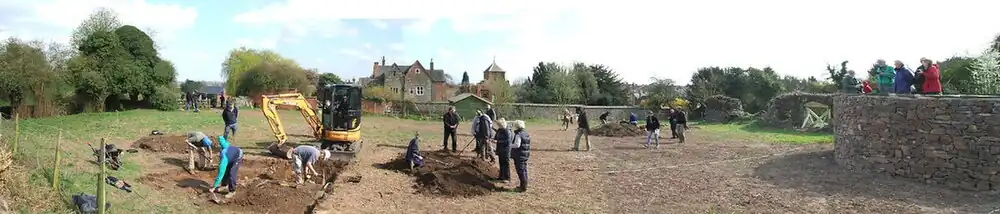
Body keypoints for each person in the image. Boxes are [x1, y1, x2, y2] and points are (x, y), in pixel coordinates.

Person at [510, 120, 530, 192]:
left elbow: (517, 145)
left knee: (520, 171)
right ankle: (524, 185)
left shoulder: (518, 134)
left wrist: (509, 145)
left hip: (519, 156)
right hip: (524, 155)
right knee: (524, 170)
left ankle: (523, 187)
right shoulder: (525, 133)